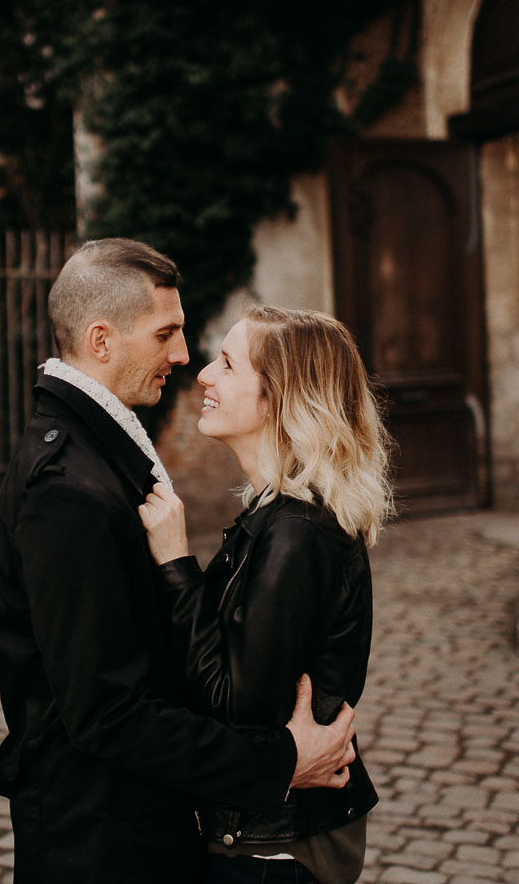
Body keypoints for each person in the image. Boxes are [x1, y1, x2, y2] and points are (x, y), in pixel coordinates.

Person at [0, 240, 359, 884]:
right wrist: (279, 764)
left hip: (144, 822)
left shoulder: (104, 456)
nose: (186, 358)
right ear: (102, 341)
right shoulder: (65, 488)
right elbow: (107, 713)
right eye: (168, 333)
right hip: (97, 841)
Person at [138, 305, 391, 884]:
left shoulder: (297, 532)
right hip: (260, 833)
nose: (203, 375)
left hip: (275, 850)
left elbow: (233, 701)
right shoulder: (274, 515)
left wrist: (177, 564)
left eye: (227, 364)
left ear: (278, 399)